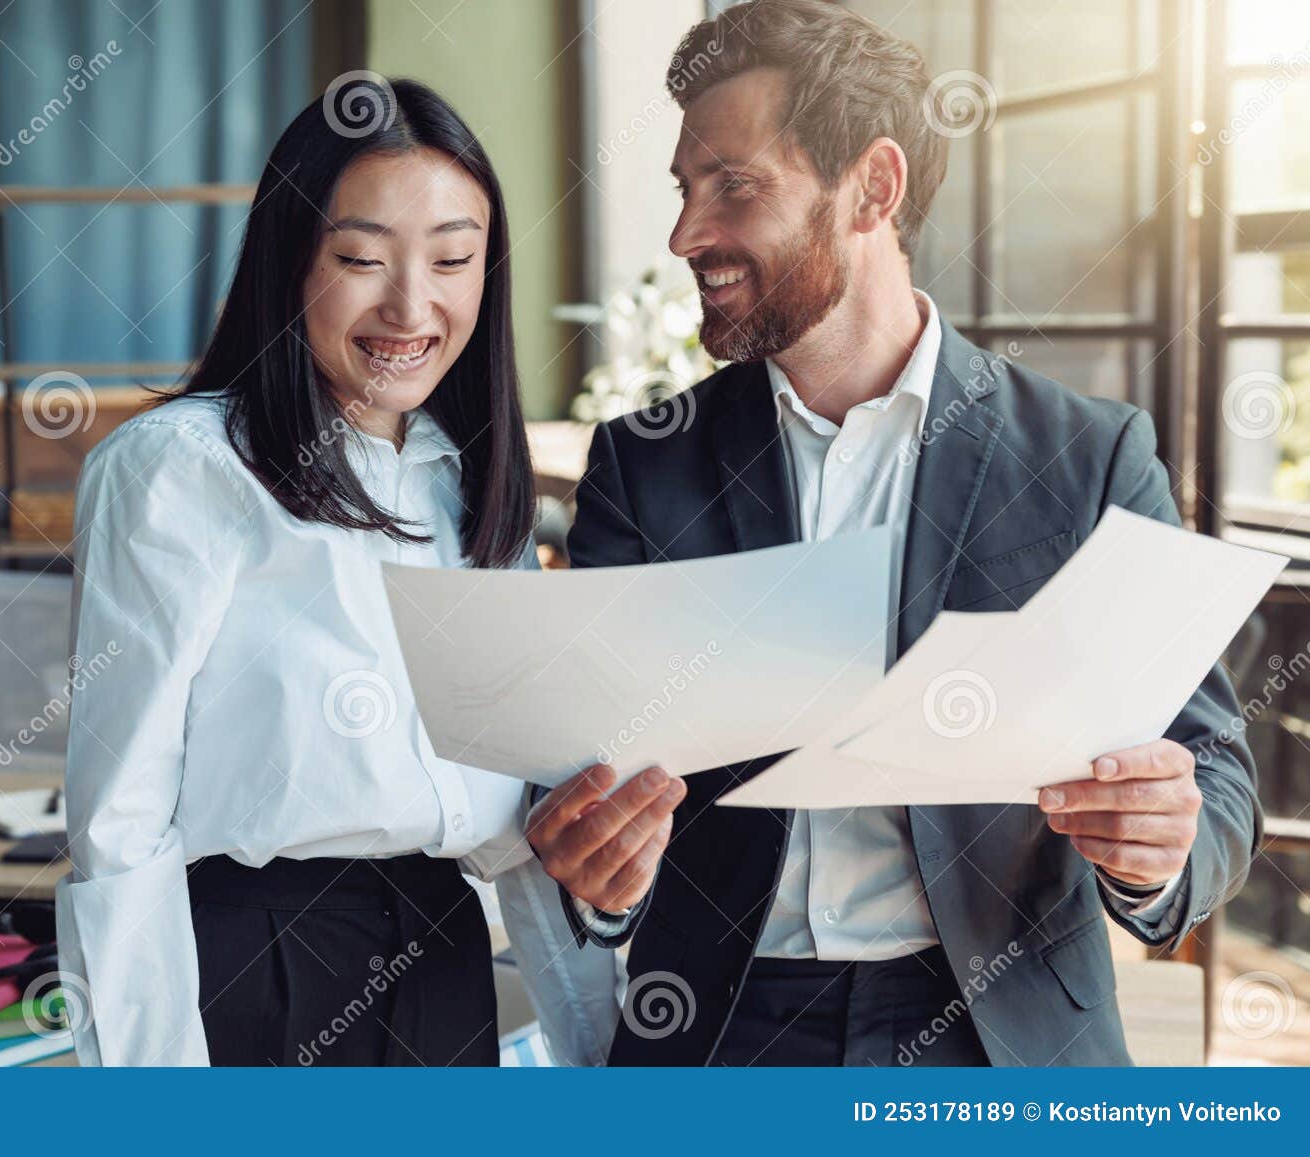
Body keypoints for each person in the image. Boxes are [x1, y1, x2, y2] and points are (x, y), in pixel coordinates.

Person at [529, 0, 1260, 1067]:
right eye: (686, 190)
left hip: (995, 1034)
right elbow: (578, 776)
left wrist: (1158, 849)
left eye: (735, 187)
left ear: (873, 186)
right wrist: (593, 873)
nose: (687, 234)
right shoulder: (645, 465)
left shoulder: (1085, 455)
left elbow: (1211, 766)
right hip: (720, 1030)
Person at [54, 77, 660, 1067]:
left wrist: (602, 1043)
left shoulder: (471, 482)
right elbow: (119, 829)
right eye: (361, 259)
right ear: (290, 262)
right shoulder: (181, 468)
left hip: (440, 962)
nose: (410, 305)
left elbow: (522, 829)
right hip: (255, 977)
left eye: (454, 259)